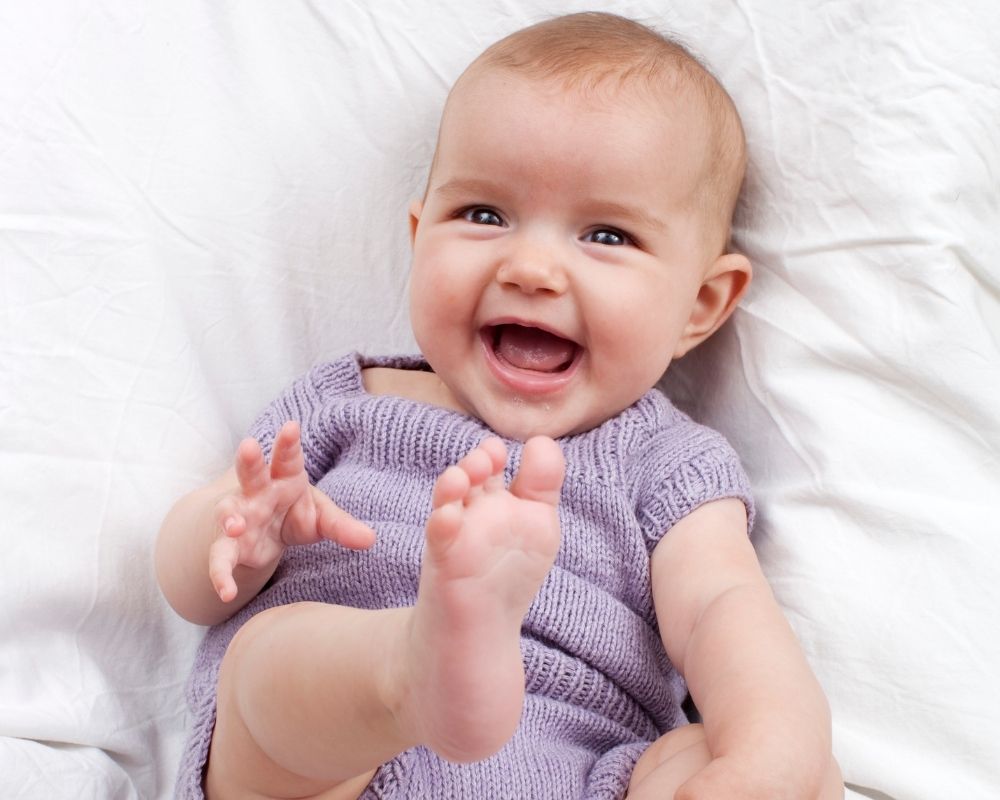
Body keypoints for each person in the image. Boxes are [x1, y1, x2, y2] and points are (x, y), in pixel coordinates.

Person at [156, 11, 842, 800]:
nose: (533, 267)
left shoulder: (667, 463)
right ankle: (414, 670)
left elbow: (723, 607)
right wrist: (236, 532)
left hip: (577, 775)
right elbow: (188, 586)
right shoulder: (347, 402)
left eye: (607, 235)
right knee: (267, 662)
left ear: (701, 303)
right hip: (329, 772)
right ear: (419, 240)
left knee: (757, 765)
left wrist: (771, 754)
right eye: (484, 216)